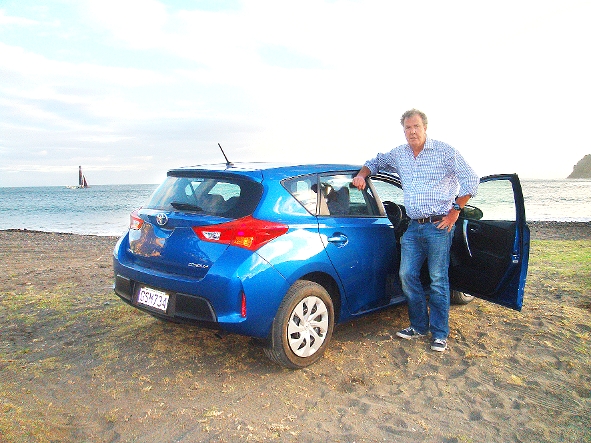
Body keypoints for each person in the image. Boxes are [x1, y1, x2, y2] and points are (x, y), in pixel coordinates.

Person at [352, 109, 479, 352]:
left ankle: (439, 334)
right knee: (407, 276)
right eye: (407, 128)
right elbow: (376, 162)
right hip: (412, 226)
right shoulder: (400, 154)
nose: (412, 132)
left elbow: (471, 180)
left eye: (416, 127)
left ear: (425, 128)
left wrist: (455, 211)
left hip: (439, 226)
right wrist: (361, 174)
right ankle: (419, 326)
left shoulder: (445, 152)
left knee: (438, 280)